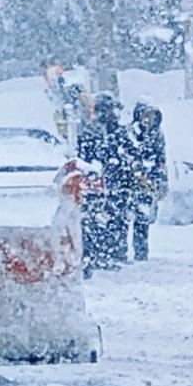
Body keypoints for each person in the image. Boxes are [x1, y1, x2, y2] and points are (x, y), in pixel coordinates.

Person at [79, 94, 131, 268]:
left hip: (117, 183)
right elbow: (85, 156)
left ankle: (115, 253)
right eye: (108, 109)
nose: (111, 113)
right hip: (96, 184)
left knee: (118, 220)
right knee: (94, 221)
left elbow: (128, 153)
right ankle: (95, 255)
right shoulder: (90, 132)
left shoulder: (119, 132)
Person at [123, 100, 171, 262]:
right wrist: (137, 172)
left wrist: (162, 180)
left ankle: (141, 253)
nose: (149, 119)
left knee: (143, 219)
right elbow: (128, 156)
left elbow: (161, 159)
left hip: (149, 183)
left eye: (152, 115)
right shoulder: (129, 133)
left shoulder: (157, 134)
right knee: (124, 218)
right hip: (130, 182)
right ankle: (120, 252)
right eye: (146, 115)